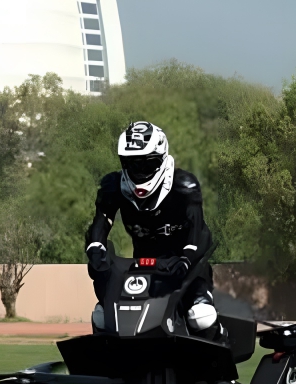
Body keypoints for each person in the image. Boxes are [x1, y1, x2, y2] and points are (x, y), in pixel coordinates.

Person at [85, 121, 219, 337]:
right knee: (102, 316)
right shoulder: (112, 187)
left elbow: (199, 231)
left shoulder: (184, 187)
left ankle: (221, 347)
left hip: (187, 265)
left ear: (162, 159)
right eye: (132, 165)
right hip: (142, 267)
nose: (139, 173)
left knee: (201, 316)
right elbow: (100, 224)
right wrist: (95, 250)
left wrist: (186, 259)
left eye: (147, 165)